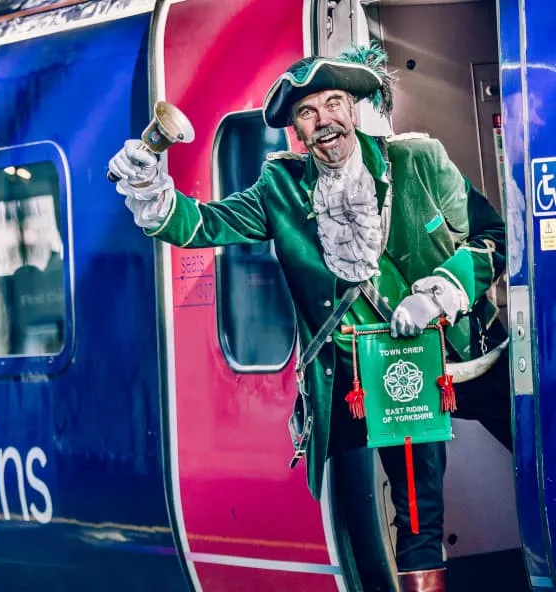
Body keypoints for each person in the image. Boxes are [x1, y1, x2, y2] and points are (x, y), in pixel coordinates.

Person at [108, 45, 511, 592]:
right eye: (307, 112)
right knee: (419, 515)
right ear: (296, 131)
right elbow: (198, 226)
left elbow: (494, 237)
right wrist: (150, 188)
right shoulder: (281, 188)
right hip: (384, 375)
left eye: (334, 103)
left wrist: (440, 293)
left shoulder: (418, 160)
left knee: (543, 447)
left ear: (354, 108)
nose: (325, 121)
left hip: (466, 351)